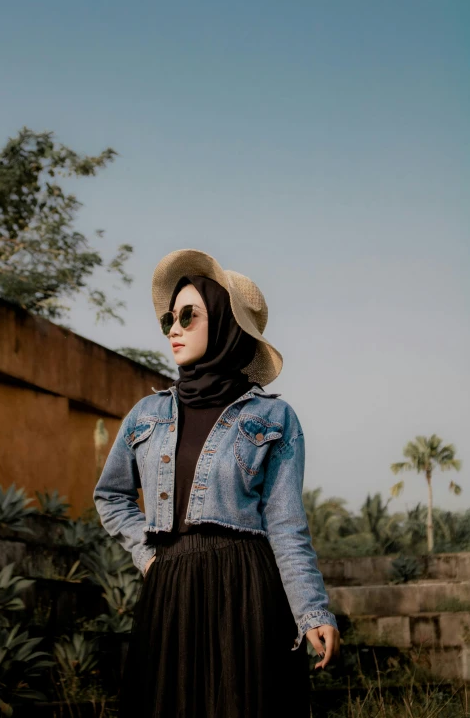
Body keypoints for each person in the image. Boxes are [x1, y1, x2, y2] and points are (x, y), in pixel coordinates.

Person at [93, 248, 340, 718]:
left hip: (247, 588)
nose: (173, 329)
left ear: (227, 324)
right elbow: (111, 495)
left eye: (189, 316)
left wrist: (312, 612)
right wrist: (148, 557)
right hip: (171, 589)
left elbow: (286, 524)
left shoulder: (273, 417)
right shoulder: (145, 415)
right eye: (169, 318)